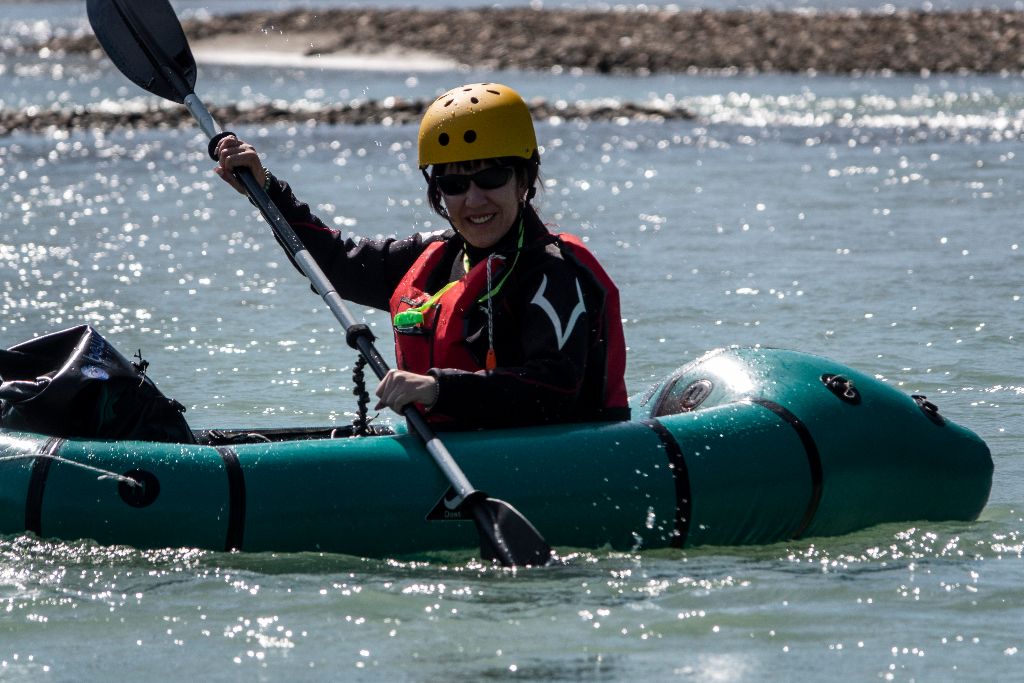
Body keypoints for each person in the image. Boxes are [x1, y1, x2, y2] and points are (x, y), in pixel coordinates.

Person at [215, 82, 628, 429]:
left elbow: (555, 387)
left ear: (524, 178)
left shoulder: (553, 272)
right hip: (449, 452)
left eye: (490, 177)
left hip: (556, 459)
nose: (473, 199)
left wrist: (436, 389)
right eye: (454, 184)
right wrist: (267, 191)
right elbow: (337, 266)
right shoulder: (432, 259)